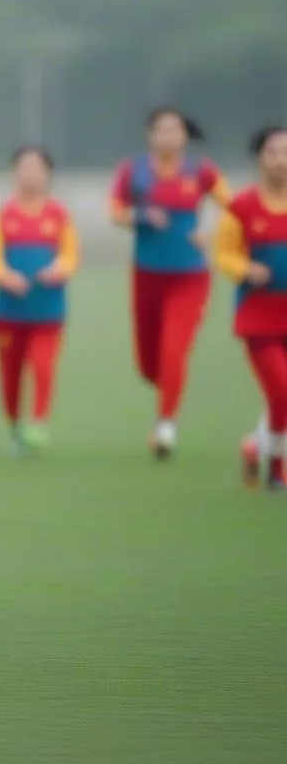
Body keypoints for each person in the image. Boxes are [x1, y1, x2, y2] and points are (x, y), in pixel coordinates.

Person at [110, 107, 231, 458]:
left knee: (174, 350)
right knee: (150, 364)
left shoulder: (202, 171)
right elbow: (115, 210)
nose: (167, 136)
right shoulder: (133, 172)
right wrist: (142, 215)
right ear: (150, 135)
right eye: (160, 130)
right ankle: (170, 388)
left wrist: (211, 232)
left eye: (174, 130)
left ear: (185, 136)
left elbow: (235, 207)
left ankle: (165, 425)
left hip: (191, 277)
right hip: (147, 275)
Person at [0, 146, 79, 451]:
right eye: (24, 167)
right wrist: (6, 277)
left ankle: (38, 421)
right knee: (10, 373)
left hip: (48, 309)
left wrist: (58, 269)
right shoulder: (3, 212)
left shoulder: (58, 213)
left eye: (37, 168)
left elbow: (71, 254)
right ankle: (14, 425)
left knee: (43, 364)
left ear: (48, 174)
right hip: (10, 311)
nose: (31, 174)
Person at [213, 127, 287, 490]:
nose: (281, 160)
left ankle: (254, 445)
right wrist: (245, 269)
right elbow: (223, 252)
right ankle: (276, 466)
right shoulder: (241, 207)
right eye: (274, 152)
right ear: (259, 157)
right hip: (259, 316)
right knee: (281, 392)